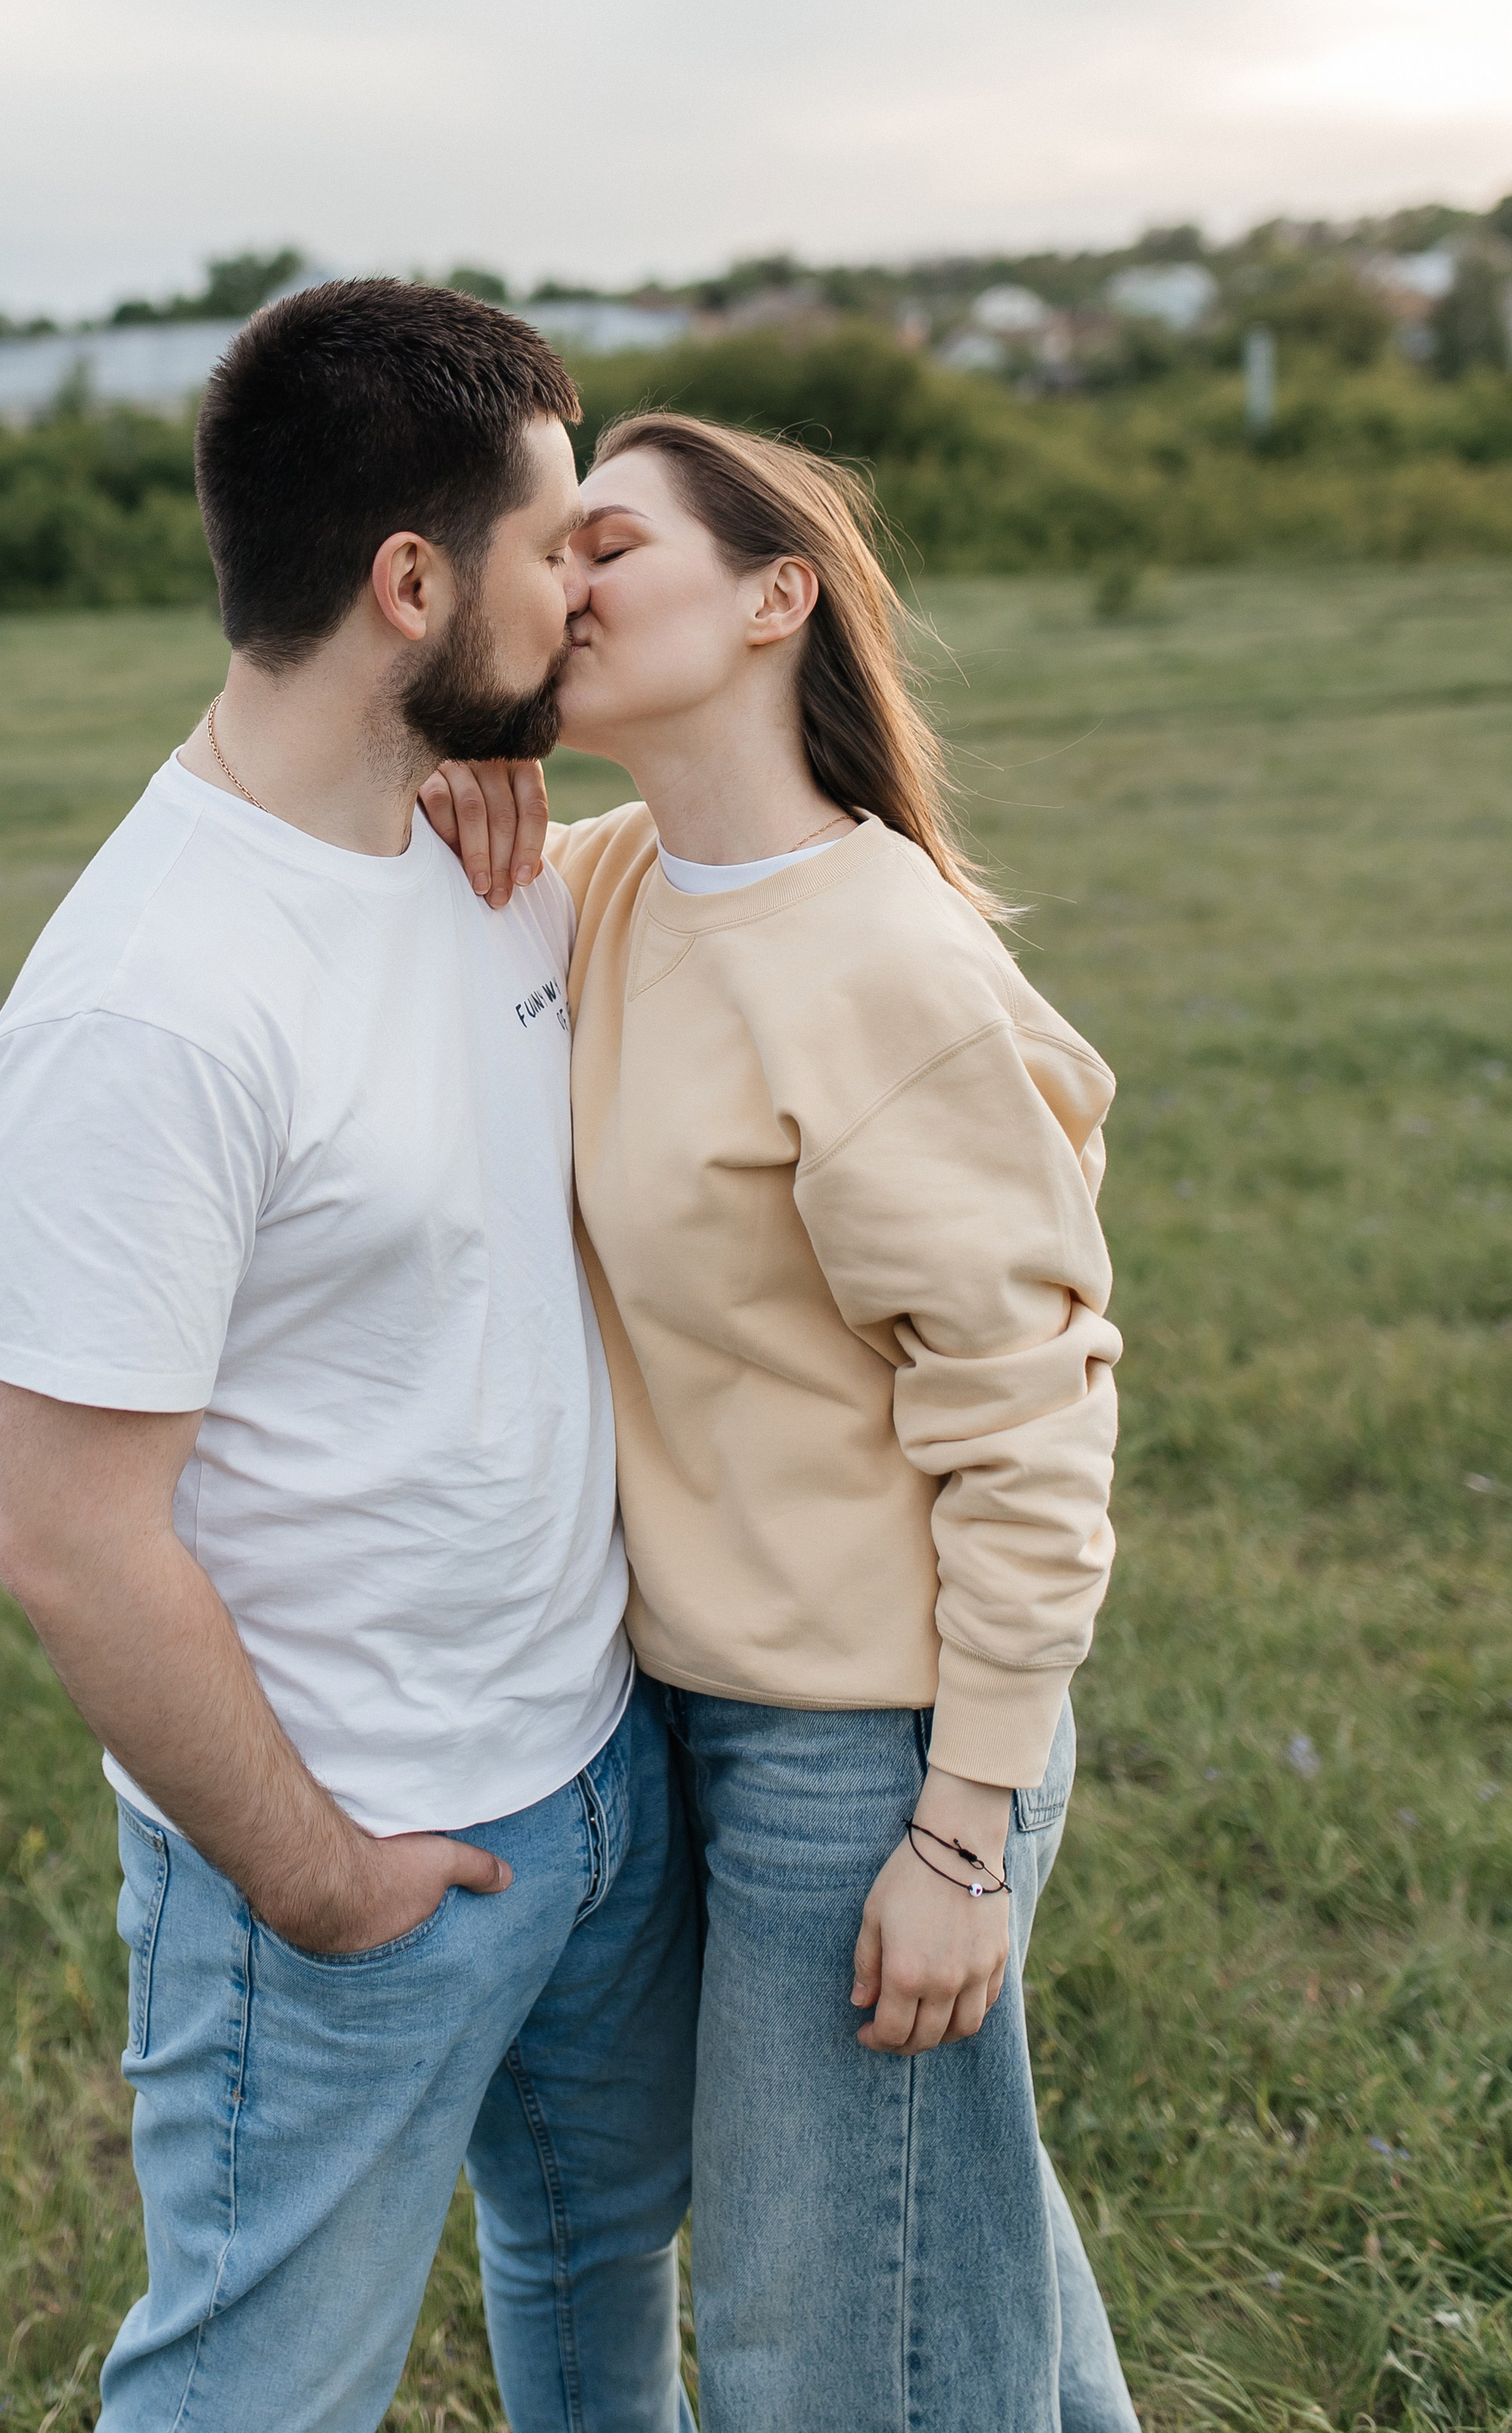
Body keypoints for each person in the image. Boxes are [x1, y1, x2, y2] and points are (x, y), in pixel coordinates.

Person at [0, 286, 698, 2433]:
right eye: (559, 545)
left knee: (596, 2275)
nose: (586, 588)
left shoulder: (477, 844)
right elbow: (74, 1545)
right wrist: (313, 1876)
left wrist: (512, 788)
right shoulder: (147, 1005)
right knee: (256, 2396)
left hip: (593, 1780)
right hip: (352, 1863)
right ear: (409, 582)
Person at [424, 411, 1138, 2433]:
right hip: (706, 1708)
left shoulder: (878, 960)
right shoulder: (619, 879)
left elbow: (1031, 1427)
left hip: (880, 1742)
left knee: (827, 2348)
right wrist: (460, 769)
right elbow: (415, 860)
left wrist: (962, 1825)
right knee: (944, 2258)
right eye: (546, 554)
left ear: (771, 599)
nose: (556, 587)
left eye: (609, 549)